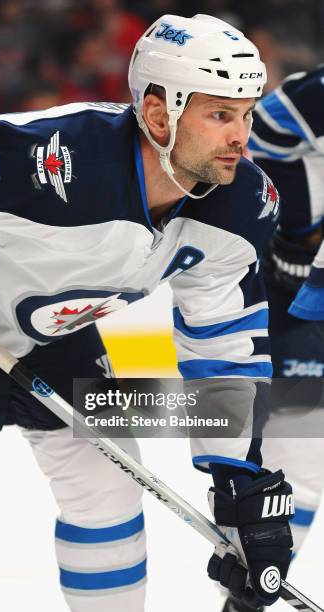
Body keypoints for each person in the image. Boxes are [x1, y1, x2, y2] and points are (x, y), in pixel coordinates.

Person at [0, 14, 293, 611]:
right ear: (157, 114)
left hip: (35, 331)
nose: (240, 136)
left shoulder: (240, 207)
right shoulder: (62, 160)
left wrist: (240, 479)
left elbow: (224, 339)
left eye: (247, 114)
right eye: (220, 115)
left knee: (111, 485)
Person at [220, 65, 324, 612]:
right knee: (291, 465)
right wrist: (304, 232)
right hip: (293, 298)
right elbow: (269, 128)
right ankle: (246, 599)